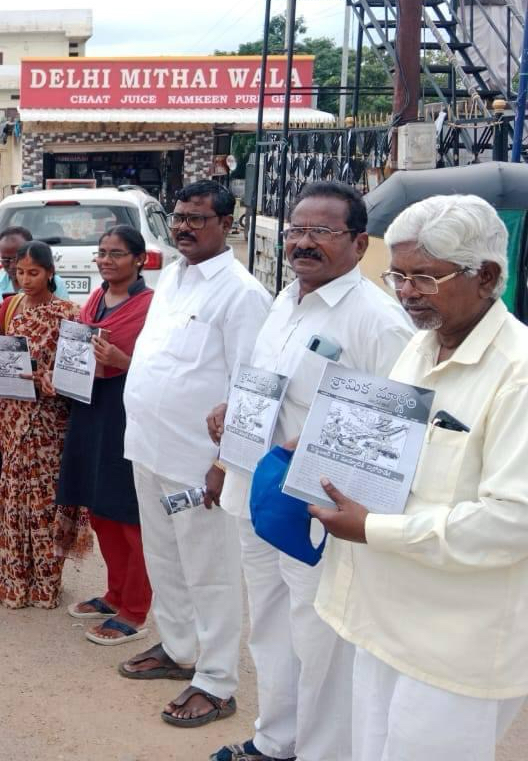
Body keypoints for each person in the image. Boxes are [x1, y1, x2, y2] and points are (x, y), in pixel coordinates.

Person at [312, 194, 528, 761]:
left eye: (425, 278)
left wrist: (374, 528)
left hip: (455, 641)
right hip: (383, 618)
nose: (406, 292)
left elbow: (512, 522)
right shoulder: (419, 345)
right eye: (398, 276)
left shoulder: (519, 373)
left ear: (486, 277)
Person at [203, 182, 413, 761]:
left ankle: (322, 752)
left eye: (322, 231)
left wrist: (325, 449)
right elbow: (265, 382)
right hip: (259, 489)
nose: (302, 242)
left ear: (359, 243)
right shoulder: (285, 300)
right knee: (271, 626)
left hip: (319, 508)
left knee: (321, 640)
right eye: (296, 229)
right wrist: (232, 414)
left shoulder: (378, 320)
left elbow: (395, 429)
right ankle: (276, 741)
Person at [118, 180, 271, 728]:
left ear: (226, 224)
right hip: (148, 449)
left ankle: (217, 680)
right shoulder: (172, 277)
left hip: (197, 463)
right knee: (165, 558)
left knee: (210, 571)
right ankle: (180, 649)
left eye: (196, 219)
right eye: (179, 216)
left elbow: (252, 388)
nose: (183, 227)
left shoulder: (242, 294)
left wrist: (224, 464)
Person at [57, 225, 155, 646]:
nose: (106, 260)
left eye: (116, 253)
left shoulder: (151, 307)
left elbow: (161, 367)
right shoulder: (95, 300)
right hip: (89, 406)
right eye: (102, 252)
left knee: (128, 512)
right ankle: (115, 594)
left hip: (124, 411)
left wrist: (122, 359)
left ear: (139, 259)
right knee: (99, 508)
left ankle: (136, 609)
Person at [0, 239, 80, 609]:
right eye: (21, 272)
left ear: (50, 273)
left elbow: (78, 371)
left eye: (34, 273)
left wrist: (47, 378)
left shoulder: (68, 314)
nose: (25, 280)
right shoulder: (11, 308)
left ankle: (45, 584)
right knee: (13, 493)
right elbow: (2, 352)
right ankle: (14, 580)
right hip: (13, 414)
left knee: (44, 498)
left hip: (49, 422)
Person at [0, 226, 32, 535]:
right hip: (2, 381)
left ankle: (28, 514)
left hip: (35, 382)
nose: (11, 266)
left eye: (17, 258)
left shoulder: (54, 284)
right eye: (5, 259)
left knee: (33, 452)